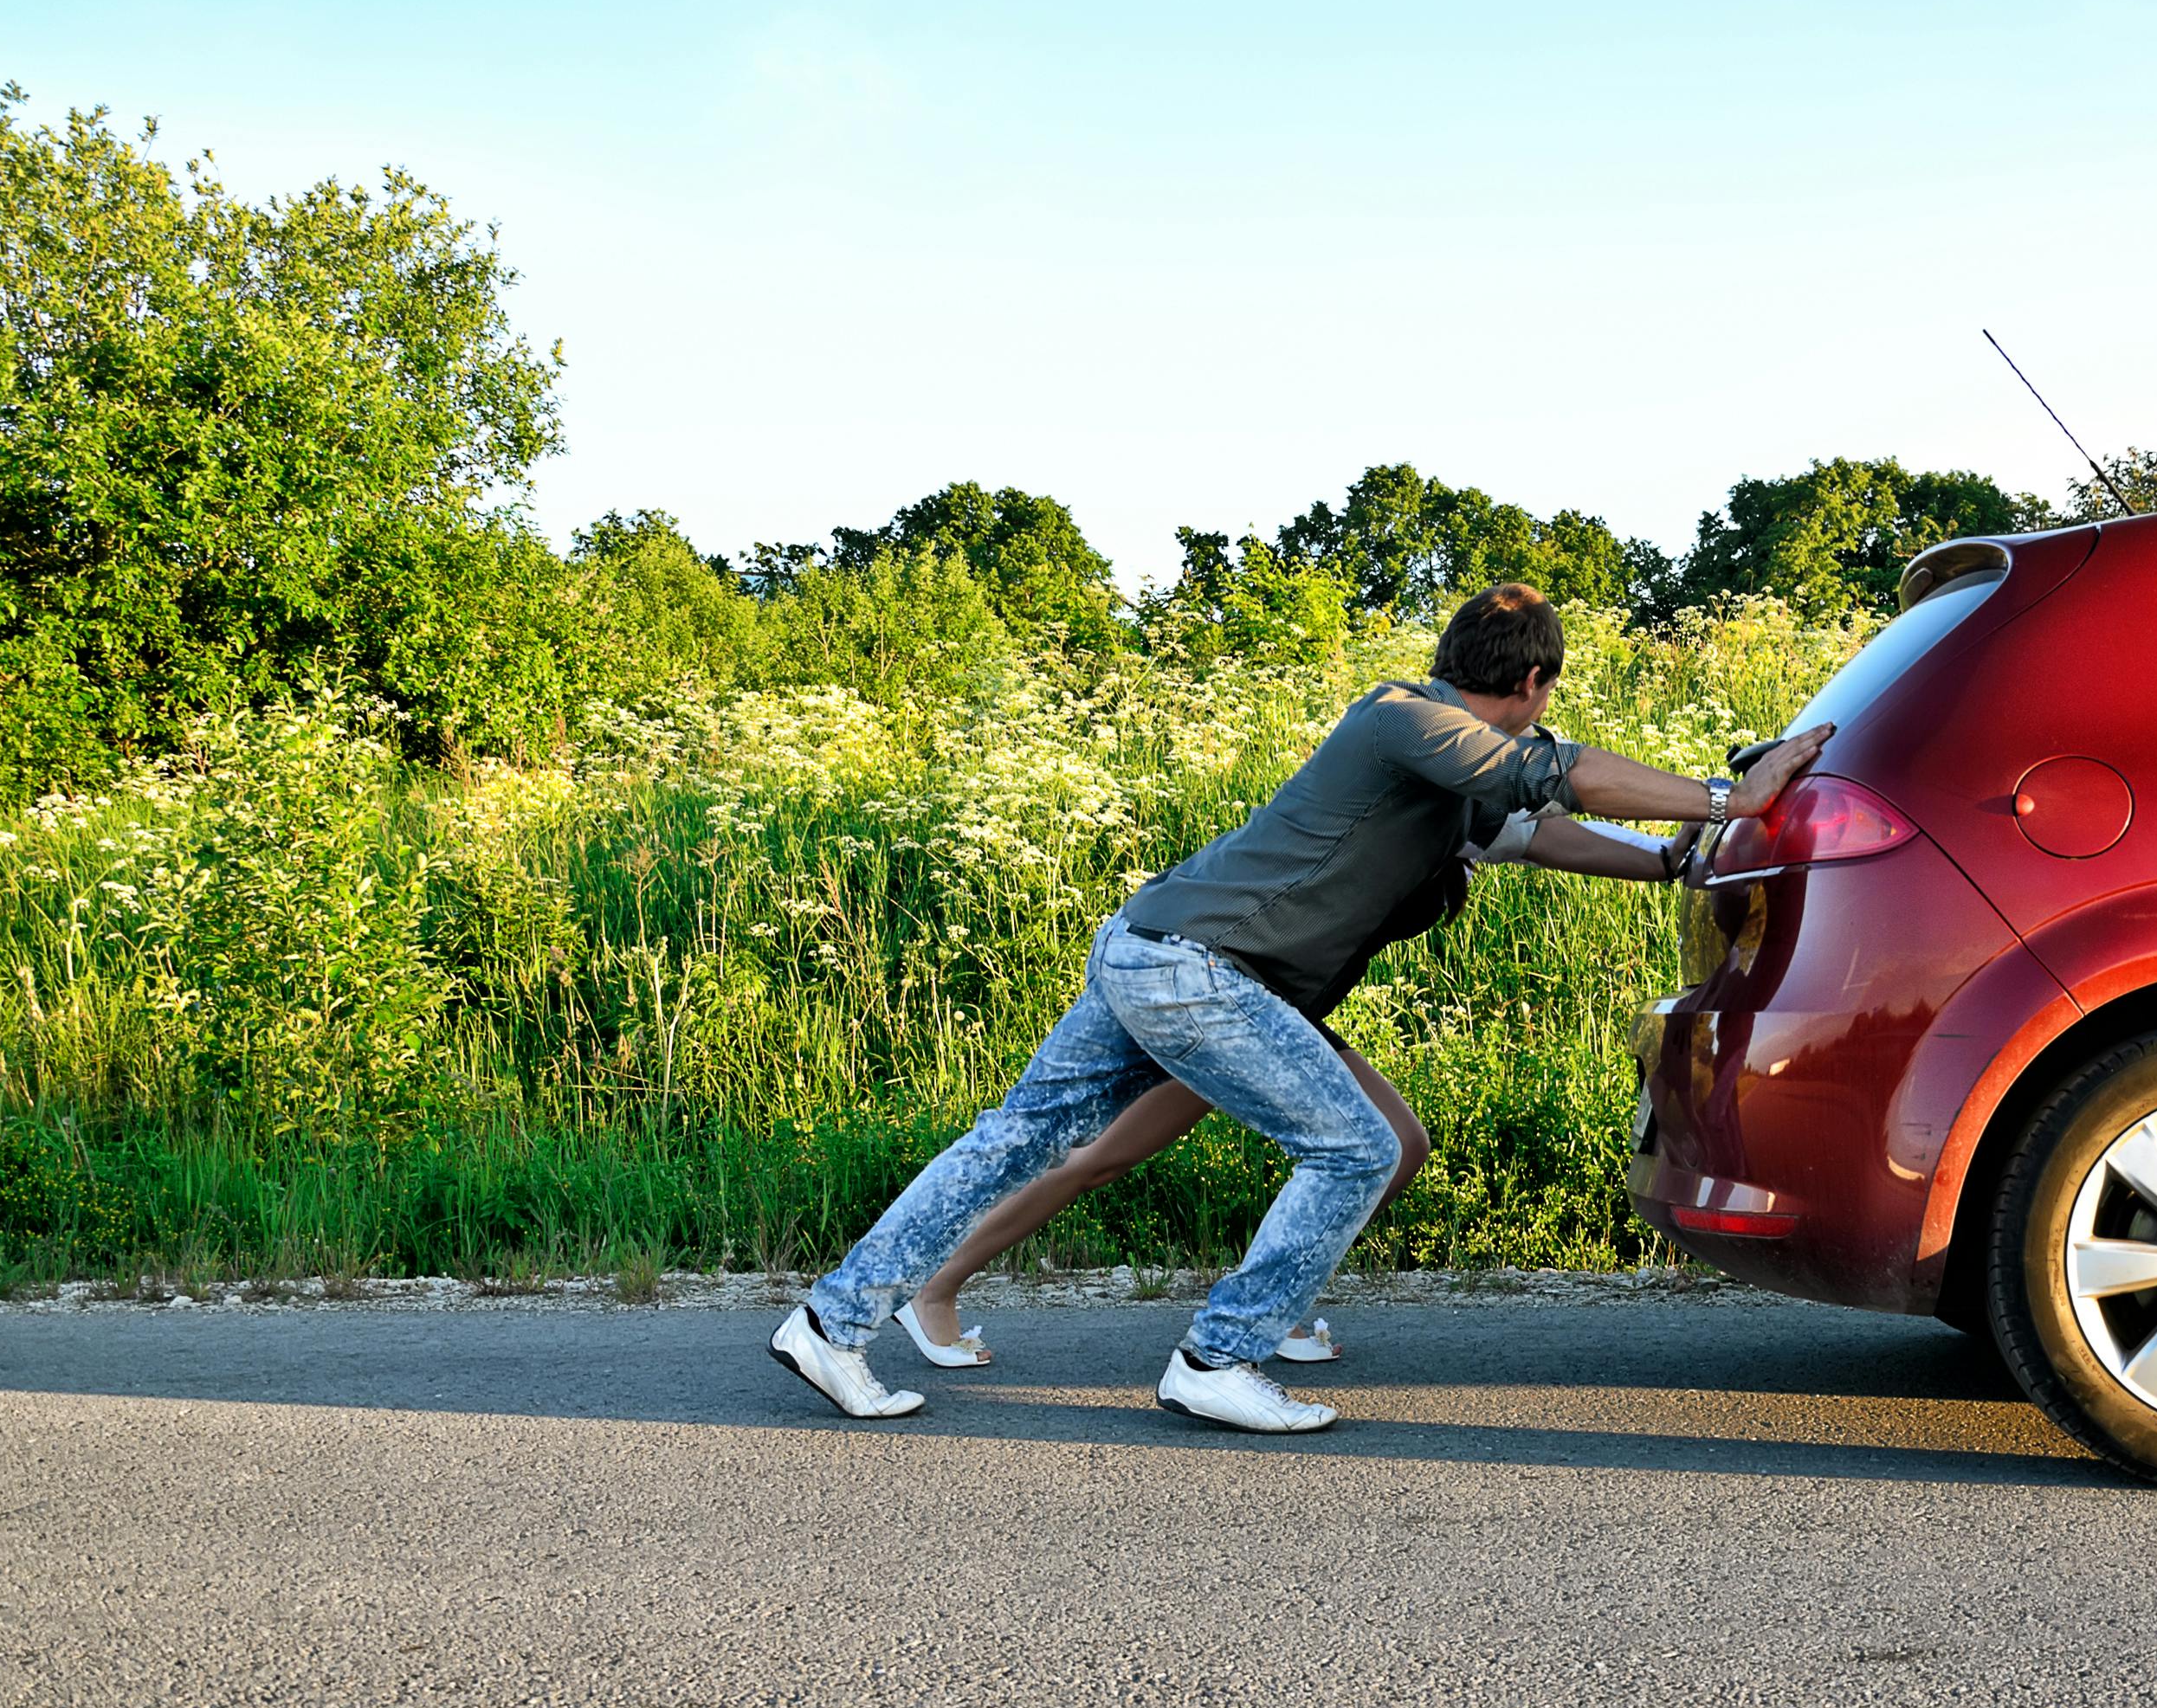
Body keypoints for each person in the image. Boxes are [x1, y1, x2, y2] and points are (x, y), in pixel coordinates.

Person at [770, 582, 1831, 1433]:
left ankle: (832, 1321)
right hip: (1196, 969)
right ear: (1538, 681)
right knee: (1356, 1148)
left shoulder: (1442, 765)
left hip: (1160, 953)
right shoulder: (1404, 718)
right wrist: (1739, 795)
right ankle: (1219, 1358)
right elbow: (1561, 781)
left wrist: (1668, 863)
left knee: (1018, 1138)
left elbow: (1536, 833)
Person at [881, 805, 1684, 1370]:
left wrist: (1681, 846)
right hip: (1220, 995)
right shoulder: (1406, 806)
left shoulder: (1473, 818)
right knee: (1101, 1156)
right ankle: (937, 1289)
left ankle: (1279, 1300)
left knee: (1396, 1146)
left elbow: (1566, 834)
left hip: (1281, 1010)